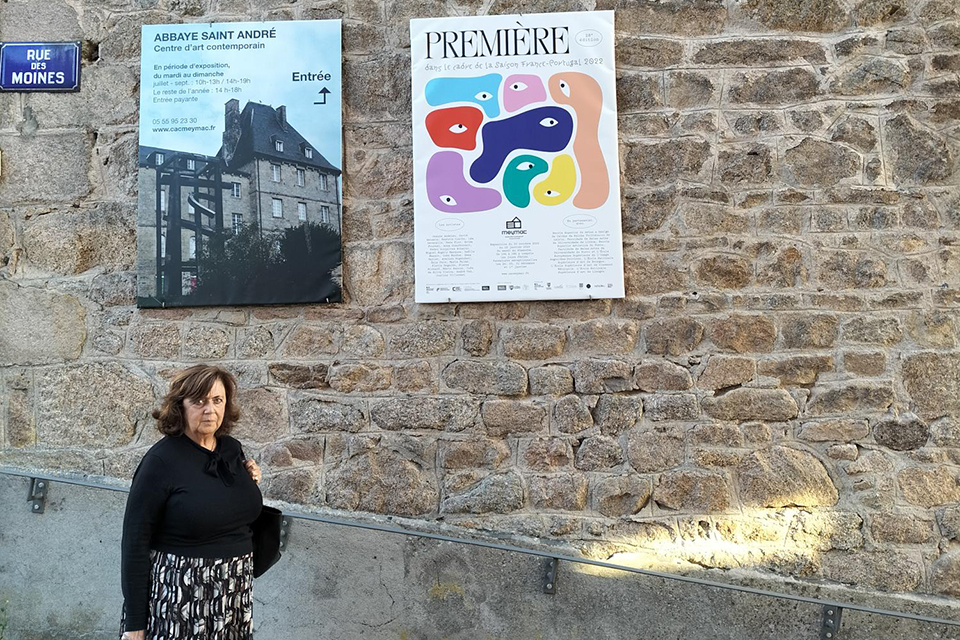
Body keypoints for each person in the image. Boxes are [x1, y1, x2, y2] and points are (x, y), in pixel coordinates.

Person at [119, 364, 263, 640]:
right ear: (180, 406)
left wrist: (251, 480)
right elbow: (135, 542)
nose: (210, 410)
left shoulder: (232, 448)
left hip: (233, 592)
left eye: (217, 400)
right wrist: (135, 624)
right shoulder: (160, 461)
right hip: (180, 596)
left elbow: (225, 503)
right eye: (199, 401)